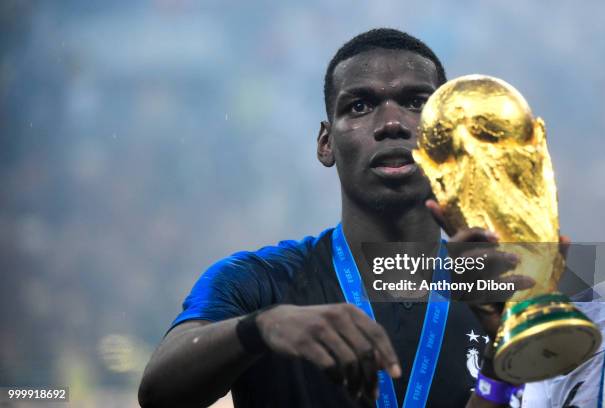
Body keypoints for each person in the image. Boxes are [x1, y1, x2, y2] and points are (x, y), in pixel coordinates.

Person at [137, 28, 553, 408]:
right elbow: (157, 392)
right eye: (359, 105)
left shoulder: (505, 290)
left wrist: (502, 361)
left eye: (416, 103)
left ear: (448, 137)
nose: (391, 123)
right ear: (325, 142)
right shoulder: (258, 282)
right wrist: (260, 328)